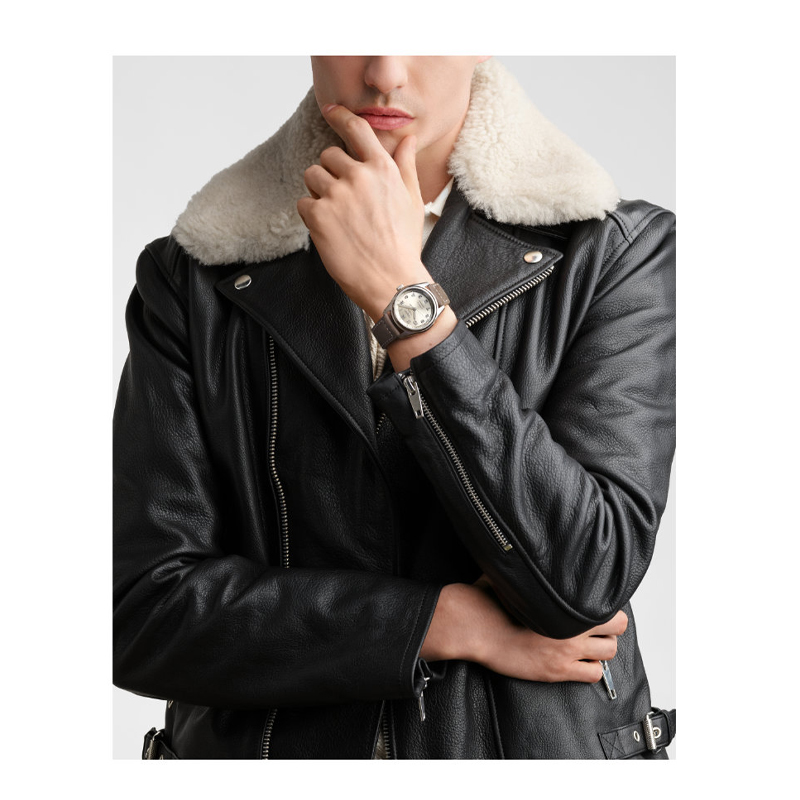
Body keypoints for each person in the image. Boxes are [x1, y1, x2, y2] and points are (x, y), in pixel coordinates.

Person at [114, 56, 676, 759]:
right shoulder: (193, 277)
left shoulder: (615, 252)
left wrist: (404, 300)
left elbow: (585, 578)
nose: (385, 72)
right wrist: (438, 622)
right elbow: (142, 613)